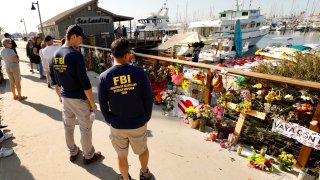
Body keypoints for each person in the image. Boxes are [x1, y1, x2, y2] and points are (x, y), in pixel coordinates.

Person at [98, 38, 153, 180]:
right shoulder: (139, 72)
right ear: (128, 54)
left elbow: (103, 104)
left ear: (112, 55)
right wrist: (146, 117)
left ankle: (125, 177)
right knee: (142, 150)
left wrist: (110, 119)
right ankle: (144, 172)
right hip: (138, 122)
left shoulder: (104, 77)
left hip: (117, 124)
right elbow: (148, 97)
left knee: (121, 155)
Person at [51, 24, 101, 164]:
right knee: (85, 128)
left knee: (68, 126)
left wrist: (60, 97)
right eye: (80, 39)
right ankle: (89, 155)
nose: (81, 42)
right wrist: (92, 103)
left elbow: (56, 81)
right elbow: (85, 84)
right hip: (79, 98)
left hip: (65, 97)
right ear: (73, 36)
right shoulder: (75, 55)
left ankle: (73, 152)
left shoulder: (57, 53)